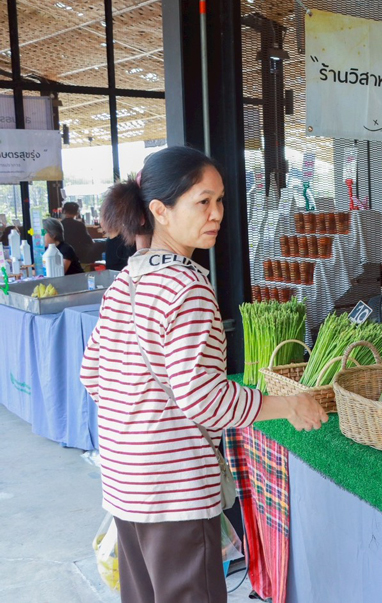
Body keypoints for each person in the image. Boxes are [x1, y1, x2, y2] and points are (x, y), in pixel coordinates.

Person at [79, 147, 328, 603]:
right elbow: (204, 399)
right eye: (202, 201)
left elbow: (92, 374)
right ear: (160, 211)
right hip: (174, 490)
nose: (216, 214)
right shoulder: (187, 286)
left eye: (221, 200)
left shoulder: (126, 281)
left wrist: (140, 422)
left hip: (125, 482)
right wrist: (289, 405)